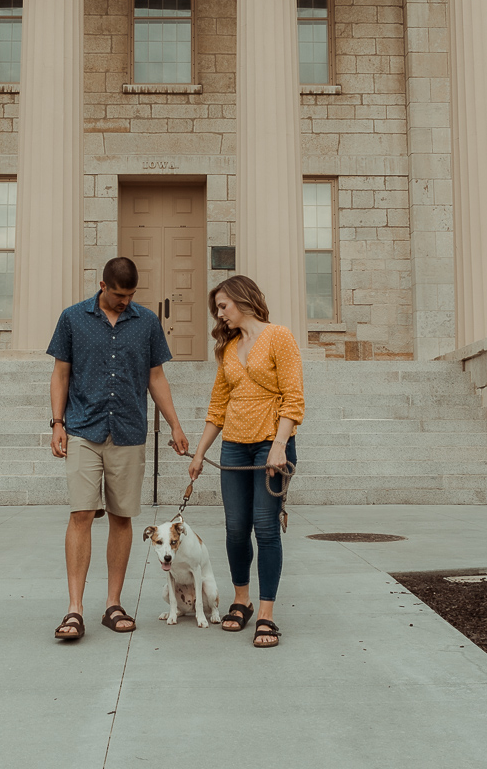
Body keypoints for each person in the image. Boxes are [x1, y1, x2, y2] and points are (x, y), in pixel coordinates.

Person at [49, 256, 188, 641]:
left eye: (130, 295)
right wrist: (57, 423)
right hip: (82, 429)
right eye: (118, 294)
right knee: (80, 513)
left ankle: (113, 603)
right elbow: (60, 373)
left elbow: (155, 376)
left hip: (128, 431)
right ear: (102, 285)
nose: (125, 301)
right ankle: (74, 609)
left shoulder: (146, 322)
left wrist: (175, 424)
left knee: (122, 517)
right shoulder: (73, 318)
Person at [188, 274, 303, 649]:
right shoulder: (228, 347)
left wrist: (279, 444)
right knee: (236, 528)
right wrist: (200, 452)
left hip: (271, 445)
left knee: (266, 528)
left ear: (242, 300)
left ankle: (267, 614)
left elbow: (293, 396)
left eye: (223, 306)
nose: (219, 315)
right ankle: (242, 601)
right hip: (235, 446)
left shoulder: (278, 336)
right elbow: (218, 406)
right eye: (217, 309)